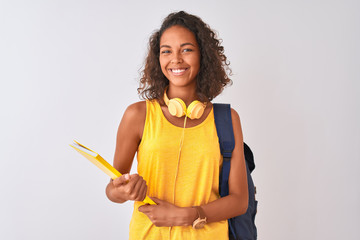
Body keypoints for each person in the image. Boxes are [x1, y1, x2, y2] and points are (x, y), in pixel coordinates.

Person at [106, 11, 248, 240]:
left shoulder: (227, 119)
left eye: (187, 49)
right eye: (166, 51)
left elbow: (240, 201)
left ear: (203, 55)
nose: (176, 59)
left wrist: (185, 216)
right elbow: (112, 189)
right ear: (158, 58)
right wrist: (122, 190)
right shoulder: (138, 115)